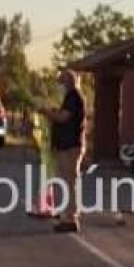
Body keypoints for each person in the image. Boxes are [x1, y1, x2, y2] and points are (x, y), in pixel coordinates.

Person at [38, 69, 86, 232]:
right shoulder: (70, 97)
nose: (60, 85)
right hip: (66, 145)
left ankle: (70, 218)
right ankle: (67, 213)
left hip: (70, 146)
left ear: (69, 82)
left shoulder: (73, 98)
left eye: (61, 82)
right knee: (65, 181)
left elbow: (63, 117)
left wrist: (47, 113)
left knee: (69, 182)